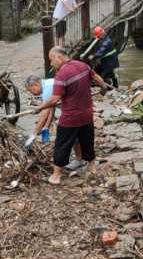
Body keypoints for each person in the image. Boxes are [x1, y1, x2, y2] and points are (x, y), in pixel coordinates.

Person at [34, 47, 109, 185]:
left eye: (51, 60)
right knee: (87, 140)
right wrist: (103, 88)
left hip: (70, 118)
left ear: (59, 57)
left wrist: (40, 107)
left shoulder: (61, 75)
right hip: (87, 114)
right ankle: (91, 166)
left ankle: (56, 176)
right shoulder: (83, 65)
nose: (51, 64)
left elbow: (54, 99)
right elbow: (97, 78)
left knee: (62, 145)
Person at [24, 75, 89, 170]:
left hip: (77, 106)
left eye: (31, 90)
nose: (32, 94)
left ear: (36, 84)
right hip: (79, 103)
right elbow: (51, 107)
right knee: (74, 133)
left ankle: (79, 160)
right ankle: (81, 157)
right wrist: (46, 126)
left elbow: (44, 113)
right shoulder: (48, 84)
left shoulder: (47, 89)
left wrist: (33, 134)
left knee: (70, 133)